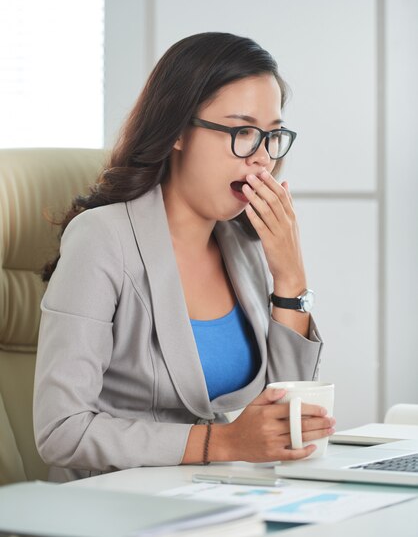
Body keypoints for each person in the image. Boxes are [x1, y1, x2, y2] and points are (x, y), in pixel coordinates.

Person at [33, 32, 335, 482]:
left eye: (272, 136)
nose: (262, 160)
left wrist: (289, 278)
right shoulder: (103, 238)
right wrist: (223, 443)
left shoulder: (244, 246)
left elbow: (283, 412)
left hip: (221, 495)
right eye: (243, 131)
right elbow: (60, 431)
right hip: (117, 505)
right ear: (176, 131)